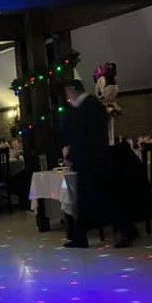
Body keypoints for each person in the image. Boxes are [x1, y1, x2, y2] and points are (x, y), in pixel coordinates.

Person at [62, 79, 110, 248]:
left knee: (86, 198)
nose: (67, 96)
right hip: (93, 158)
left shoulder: (86, 108)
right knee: (92, 197)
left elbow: (82, 136)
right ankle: (80, 235)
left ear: (73, 90)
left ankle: (80, 236)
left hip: (89, 158)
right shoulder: (91, 105)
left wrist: (71, 153)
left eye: (68, 92)